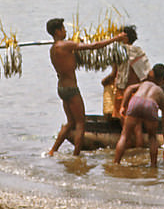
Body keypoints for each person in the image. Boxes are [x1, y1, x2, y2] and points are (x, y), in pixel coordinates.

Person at [47, 17, 126, 156]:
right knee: (80, 123)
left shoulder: (53, 49)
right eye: (63, 28)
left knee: (70, 122)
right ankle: (76, 155)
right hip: (71, 89)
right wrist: (115, 39)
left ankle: (53, 151)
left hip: (61, 88)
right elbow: (94, 46)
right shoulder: (65, 46)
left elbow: (70, 57)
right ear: (57, 31)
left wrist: (76, 44)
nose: (65, 31)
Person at [114, 63, 164, 167]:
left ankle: (116, 163)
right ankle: (153, 166)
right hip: (150, 105)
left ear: (152, 74)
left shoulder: (145, 84)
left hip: (136, 101)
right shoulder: (161, 94)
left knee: (124, 136)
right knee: (152, 138)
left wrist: (123, 106)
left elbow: (129, 89)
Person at [101, 25, 151, 118]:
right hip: (137, 92)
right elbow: (146, 74)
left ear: (125, 38)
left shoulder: (120, 53)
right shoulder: (139, 52)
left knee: (122, 116)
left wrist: (104, 81)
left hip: (123, 92)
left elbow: (113, 74)